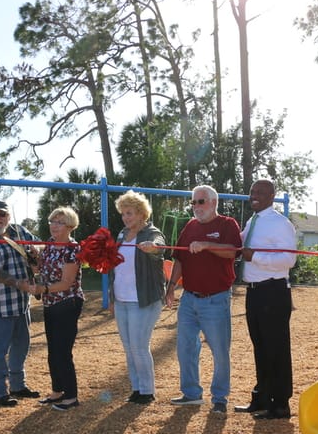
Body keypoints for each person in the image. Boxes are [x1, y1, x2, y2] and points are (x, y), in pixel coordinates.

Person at [166, 185, 242, 414]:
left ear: (213, 202)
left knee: (219, 350)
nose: (196, 206)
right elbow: (179, 259)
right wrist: (170, 287)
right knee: (186, 348)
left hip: (216, 299)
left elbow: (233, 251)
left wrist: (207, 245)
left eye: (200, 201)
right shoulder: (189, 226)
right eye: (193, 202)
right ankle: (191, 394)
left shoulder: (228, 224)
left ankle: (220, 397)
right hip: (189, 299)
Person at [233, 179, 298, 420]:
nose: (255, 195)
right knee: (260, 347)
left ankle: (280, 404)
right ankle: (261, 398)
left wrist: (255, 257)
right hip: (254, 292)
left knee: (276, 349)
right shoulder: (253, 221)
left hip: (273, 291)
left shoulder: (280, 224)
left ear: (272, 196)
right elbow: (239, 245)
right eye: (252, 192)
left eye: (261, 192)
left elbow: (289, 260)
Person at [0, 200, 41, 407]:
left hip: (21, 304)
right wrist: (21, 284)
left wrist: (35, 251)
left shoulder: (19, 231)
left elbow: (38, 245)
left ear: (8, 217)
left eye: (1, 214)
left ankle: (18, 386)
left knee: (22, 345)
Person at [18, 207, 84, 411]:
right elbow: (40, 269)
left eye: (59, 222)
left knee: (63, 351)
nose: (54, 226)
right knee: (53, 350)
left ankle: (71, 396)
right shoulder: (49, 245)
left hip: (67, 303)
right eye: (52, 221)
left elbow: (66, 282)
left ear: (70, 226)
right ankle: (57, 391)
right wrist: (33, 259)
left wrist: (42, 288)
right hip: (50, 303)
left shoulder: (72, 249)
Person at [111, 191, 167, 405]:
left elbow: (158, 245)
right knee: (128, 346)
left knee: (139, 346)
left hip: (143, 299)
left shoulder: (151, 233)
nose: (126, 218)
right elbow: (116, 268)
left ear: (142, 214)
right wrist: (113, 298)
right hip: (122, 298)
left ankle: (147, 390)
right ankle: (136, 388)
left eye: (130, 213)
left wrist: (153, 248)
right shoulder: (122, 235)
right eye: (123, 213)